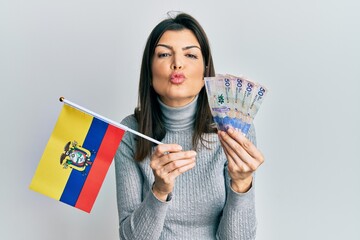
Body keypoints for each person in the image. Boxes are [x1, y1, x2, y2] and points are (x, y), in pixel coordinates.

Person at [114, 12, 264, 240]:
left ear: (205, 68)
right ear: (149, 69)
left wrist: (242, 184)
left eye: (191, 55)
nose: (177, 64)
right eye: (164, 54)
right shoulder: (130, 132)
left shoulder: (234, 130)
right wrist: (160, 190)